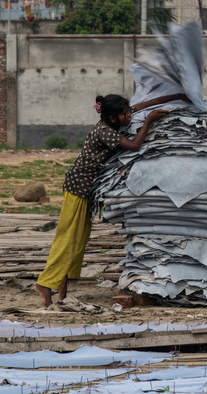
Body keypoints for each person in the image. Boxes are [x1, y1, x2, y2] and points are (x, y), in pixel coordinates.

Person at [34, 93, 190, 307]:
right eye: (125, 114)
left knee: (78, 240)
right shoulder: (105, 131)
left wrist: (177, 96)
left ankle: (60, 290)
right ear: (113, 118)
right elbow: (135, 145)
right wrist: (149, 121)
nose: (129, 116)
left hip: (84, 189)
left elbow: (144, 104)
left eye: (128, 111)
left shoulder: (115, 118)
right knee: (67, 239)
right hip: (77, 188)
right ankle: (43, 284)